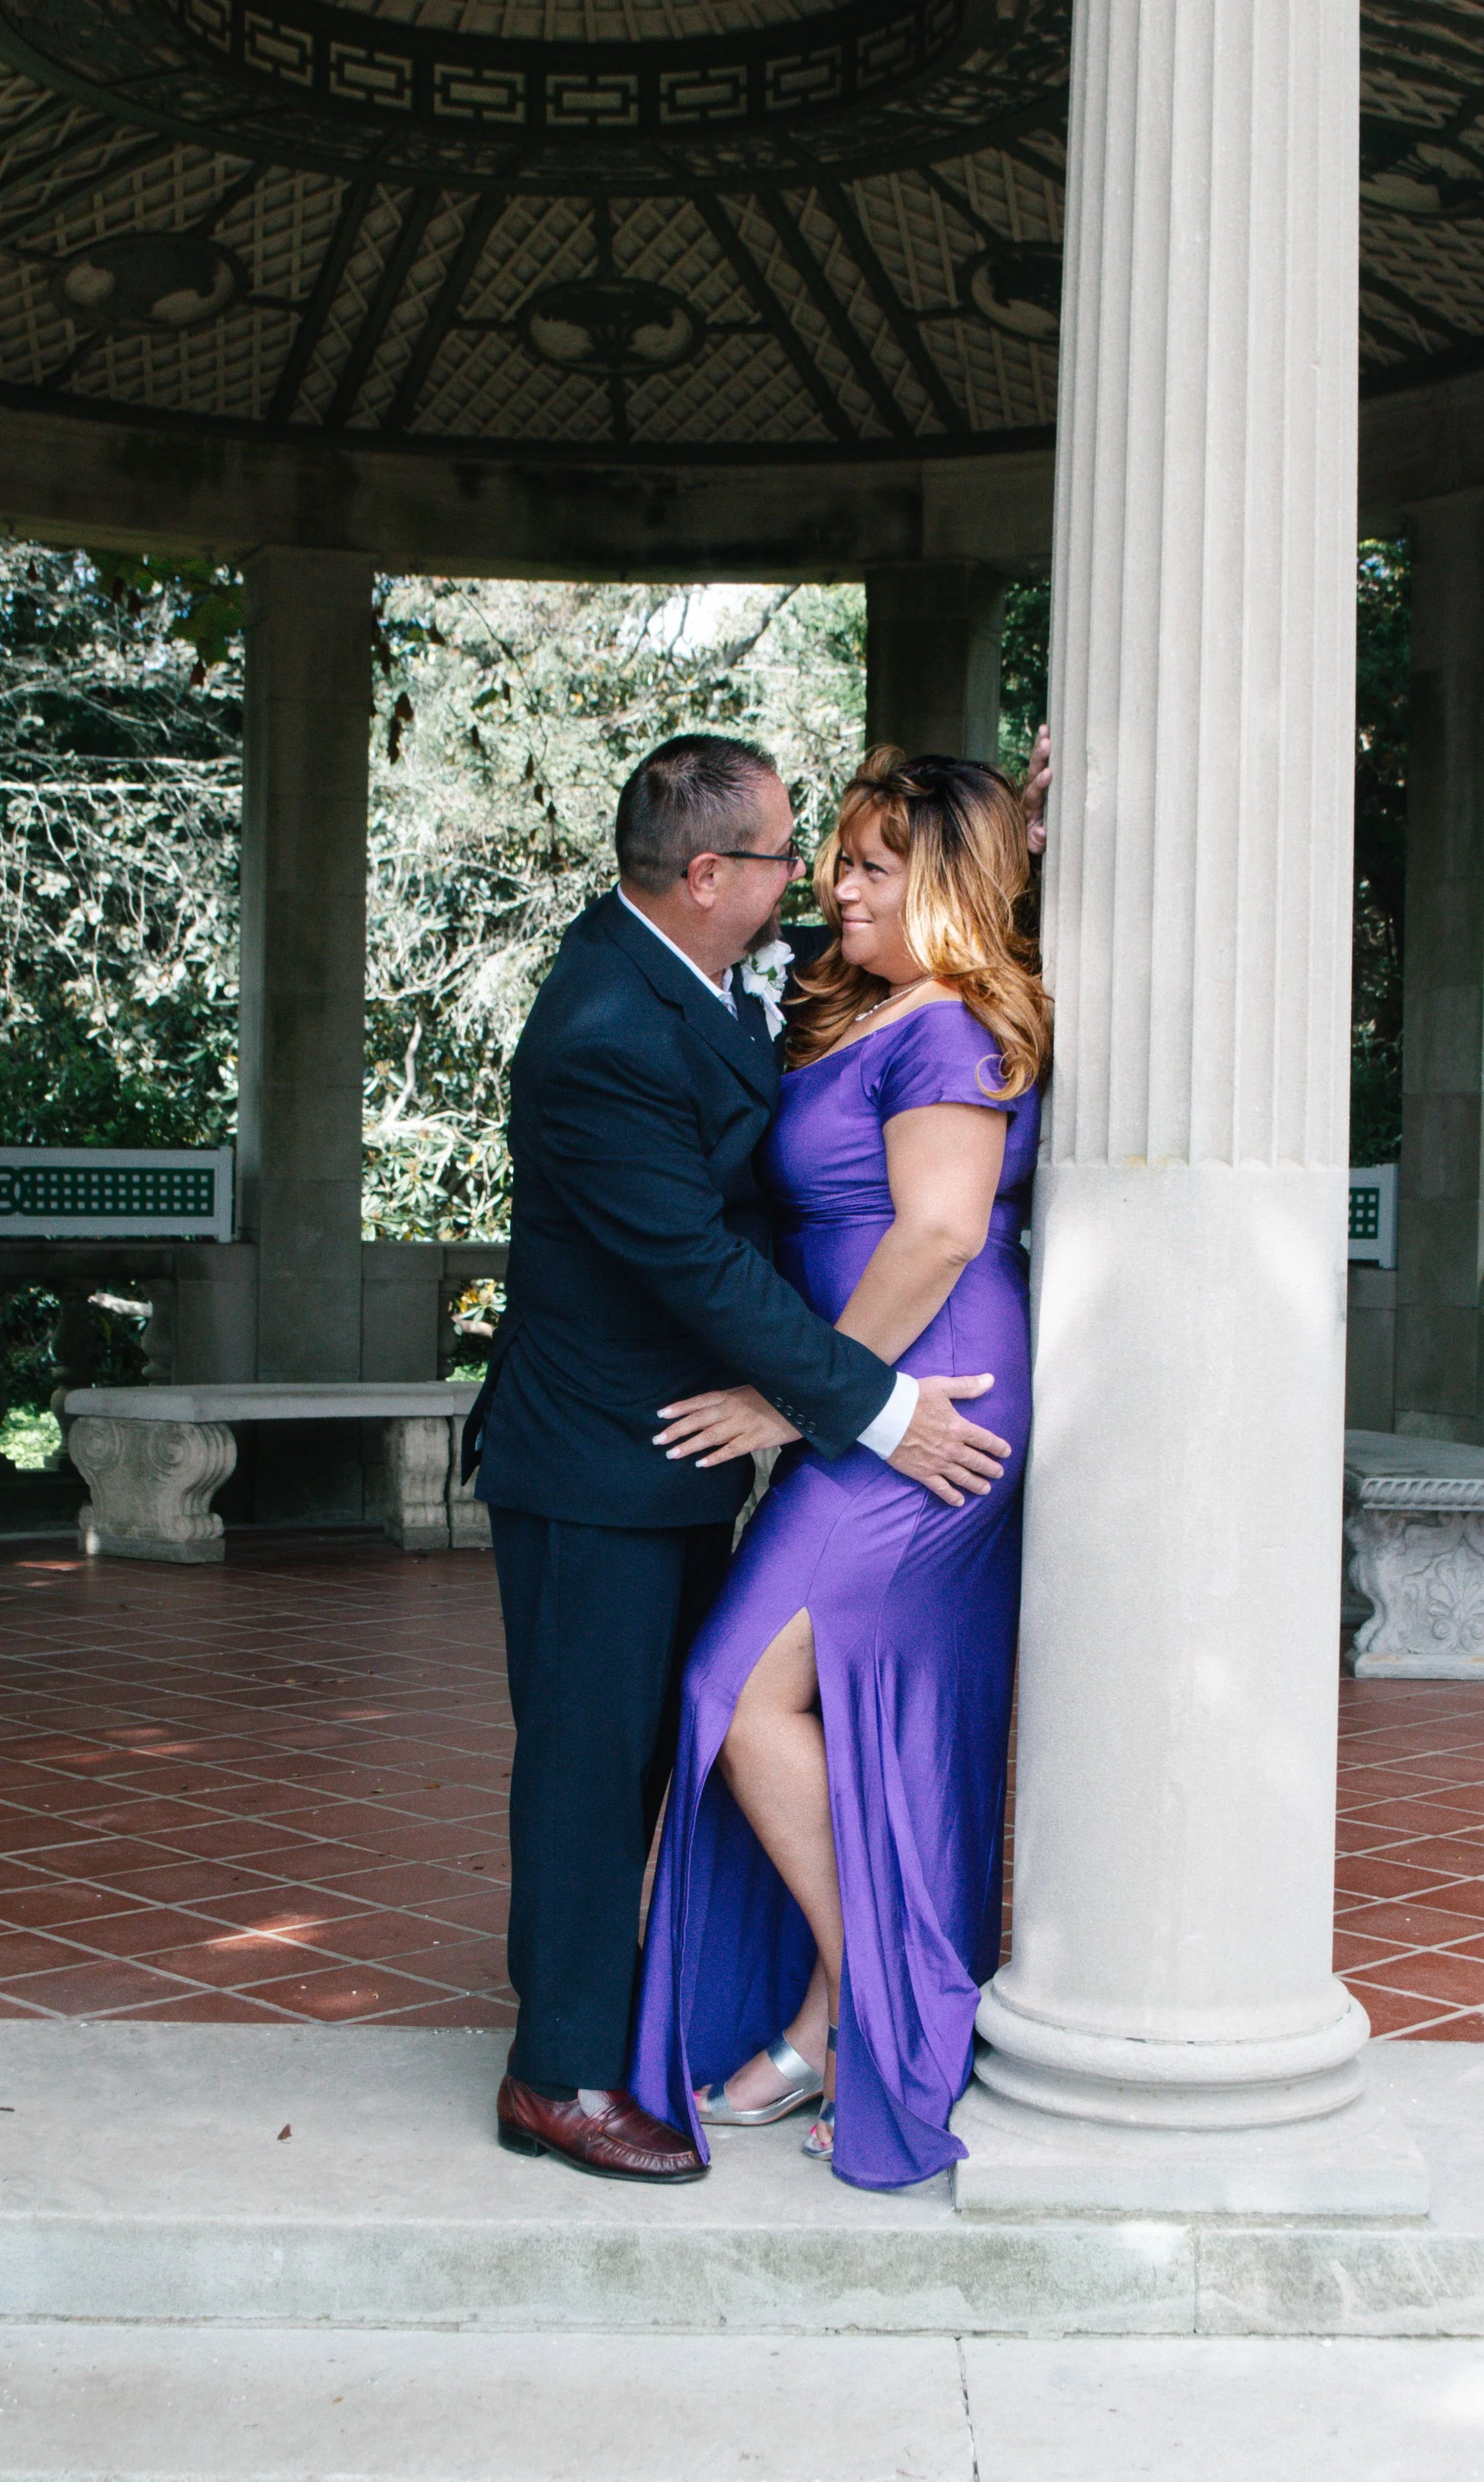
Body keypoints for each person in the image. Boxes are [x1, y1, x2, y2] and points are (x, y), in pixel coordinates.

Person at [464, 734, 1014, 2184]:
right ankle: (563, 2073)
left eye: (851, 859)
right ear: (708, 875)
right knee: (596, 1761)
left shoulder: (701, 979)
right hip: (607, 1453)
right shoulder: (604, 1024)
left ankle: (840, 2006)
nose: (817, 879)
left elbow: (916, 1204)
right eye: (793, 855)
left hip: (730, 1431)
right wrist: (866, 1407)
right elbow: (697, 1264)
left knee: (667, 1732)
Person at [630, 747, 1052, 2188]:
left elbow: (934, 1233)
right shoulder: (888, 999)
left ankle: (879, 2000)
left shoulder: (941, 1027)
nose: (834, 887)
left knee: (732, 1690)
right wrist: (1031, 828)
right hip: (878, 1392)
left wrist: (796, 1397)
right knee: (779, 1696)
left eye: (870, 866)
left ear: (933, 880)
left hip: (926, 1399)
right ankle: (833, 2006)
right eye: (836, 859)